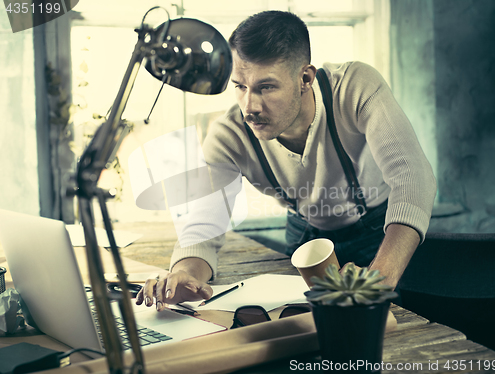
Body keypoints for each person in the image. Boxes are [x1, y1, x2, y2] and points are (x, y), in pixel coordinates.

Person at [136, 10, 436, 311]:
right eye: (240, 86)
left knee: (391, 327)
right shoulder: (229, 136)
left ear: (305, 78)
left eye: (266, 87)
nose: (249, 106)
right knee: (304, 327)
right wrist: (184, 275)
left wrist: (380, 276)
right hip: (305, 236)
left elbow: (412, 177)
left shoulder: (354, 87)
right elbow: (204, 224)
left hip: (377, 233)